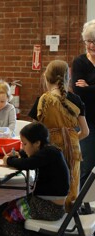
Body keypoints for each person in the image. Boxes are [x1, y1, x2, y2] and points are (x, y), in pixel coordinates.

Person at [0, 122, 70, 236]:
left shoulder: (49, 153)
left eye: (25, 144)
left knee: (6, 216)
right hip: (45, 204)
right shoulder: (48, 151)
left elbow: (28, 163)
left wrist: (9, 160)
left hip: (49, 208)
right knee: (3, 209)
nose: (22, 147)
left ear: (37, 143)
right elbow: (33, 158)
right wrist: (21, 154)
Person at [28, 59, 89, 212]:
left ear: (46, 78)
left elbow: (33, 132)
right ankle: (70, 219)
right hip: (73, 149)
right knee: (73, 184)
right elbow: (86, 132)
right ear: (67, 77)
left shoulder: (43, 100)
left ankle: (50, 215)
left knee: (50, 184)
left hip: (50, 149)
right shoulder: (76, 100)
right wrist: (72, 138)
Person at [71, 19, 95, 188]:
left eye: (94, 41)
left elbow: (85, 90)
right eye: (88, 41)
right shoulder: (79, 62)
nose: (91, 45)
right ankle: (80, 204)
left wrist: (89, 87)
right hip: (86, 120)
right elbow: (78, 91)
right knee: (86, 163)